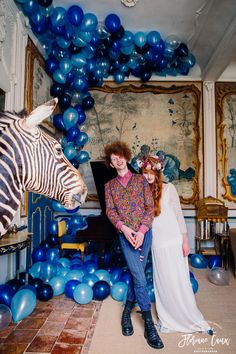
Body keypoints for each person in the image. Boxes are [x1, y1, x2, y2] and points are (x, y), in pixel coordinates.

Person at [139, 155, 213, 334]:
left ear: (157, 172)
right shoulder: (142, 192)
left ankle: (187, 316)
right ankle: (168, 319)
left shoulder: (169, 188)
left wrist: (185, 241)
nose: (148, 176)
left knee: (179, 279)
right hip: (157, 242)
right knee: (163, 281)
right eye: (144, 173)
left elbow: (179, 215)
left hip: (173, 239)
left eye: (150, 172)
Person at [104, 141, 164, 350]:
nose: (118, 160)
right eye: (113, 158)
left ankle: (126, 311)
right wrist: (126, 230)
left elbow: (149, 209)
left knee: (135, 275)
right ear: (111, 164)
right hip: (126, 236)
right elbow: (110, 212)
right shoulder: (109, 187)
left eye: (120, 156)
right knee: (139, 277)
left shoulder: (140, 180)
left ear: (127, 157)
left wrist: (141, 231)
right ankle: (149, 325)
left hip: (144, 235)